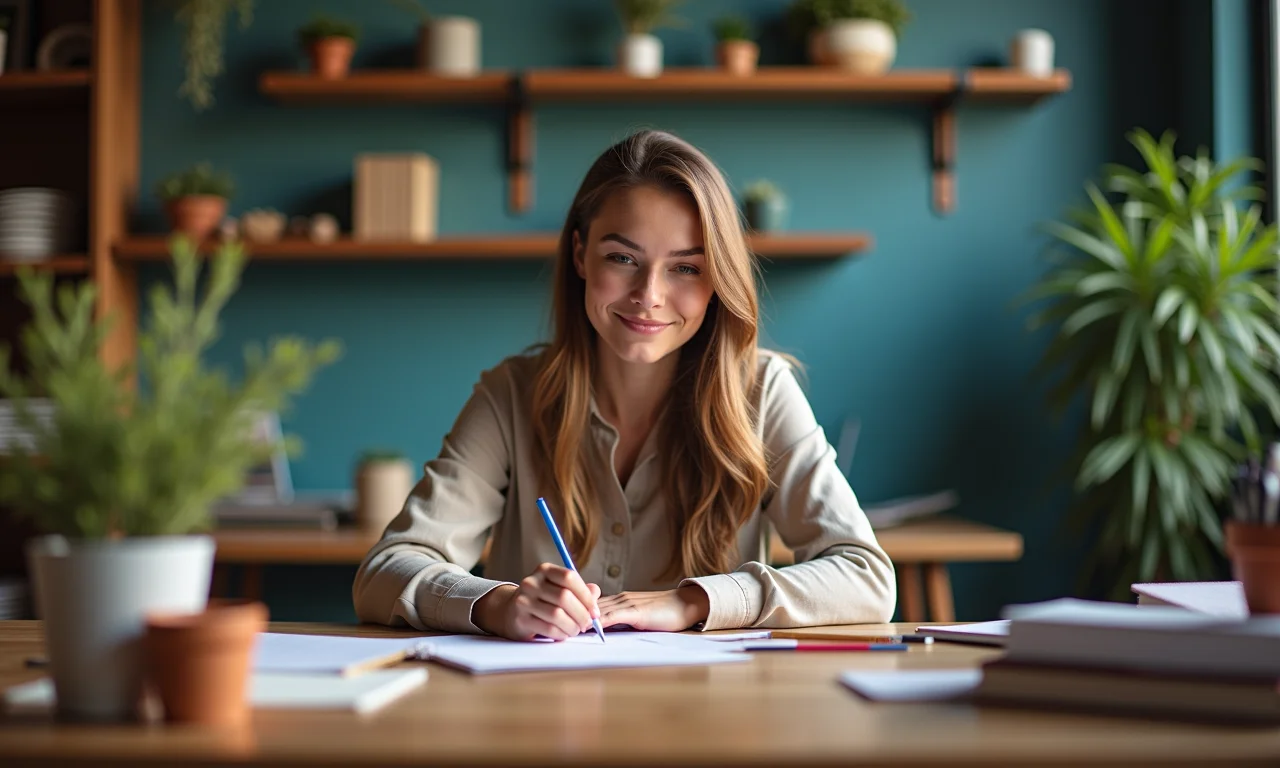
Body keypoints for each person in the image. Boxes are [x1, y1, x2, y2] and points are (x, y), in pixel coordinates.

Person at [353, 129, 895, 640]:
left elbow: (866, 578)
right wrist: (498, 604)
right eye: (622, 258)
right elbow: (385, 571)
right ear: (580, 255)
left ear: (718, 278)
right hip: (532, 703)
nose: (649, 295)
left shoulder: (762, 392)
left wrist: (693, 602)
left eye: (686, 268)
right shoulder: (511, 394)